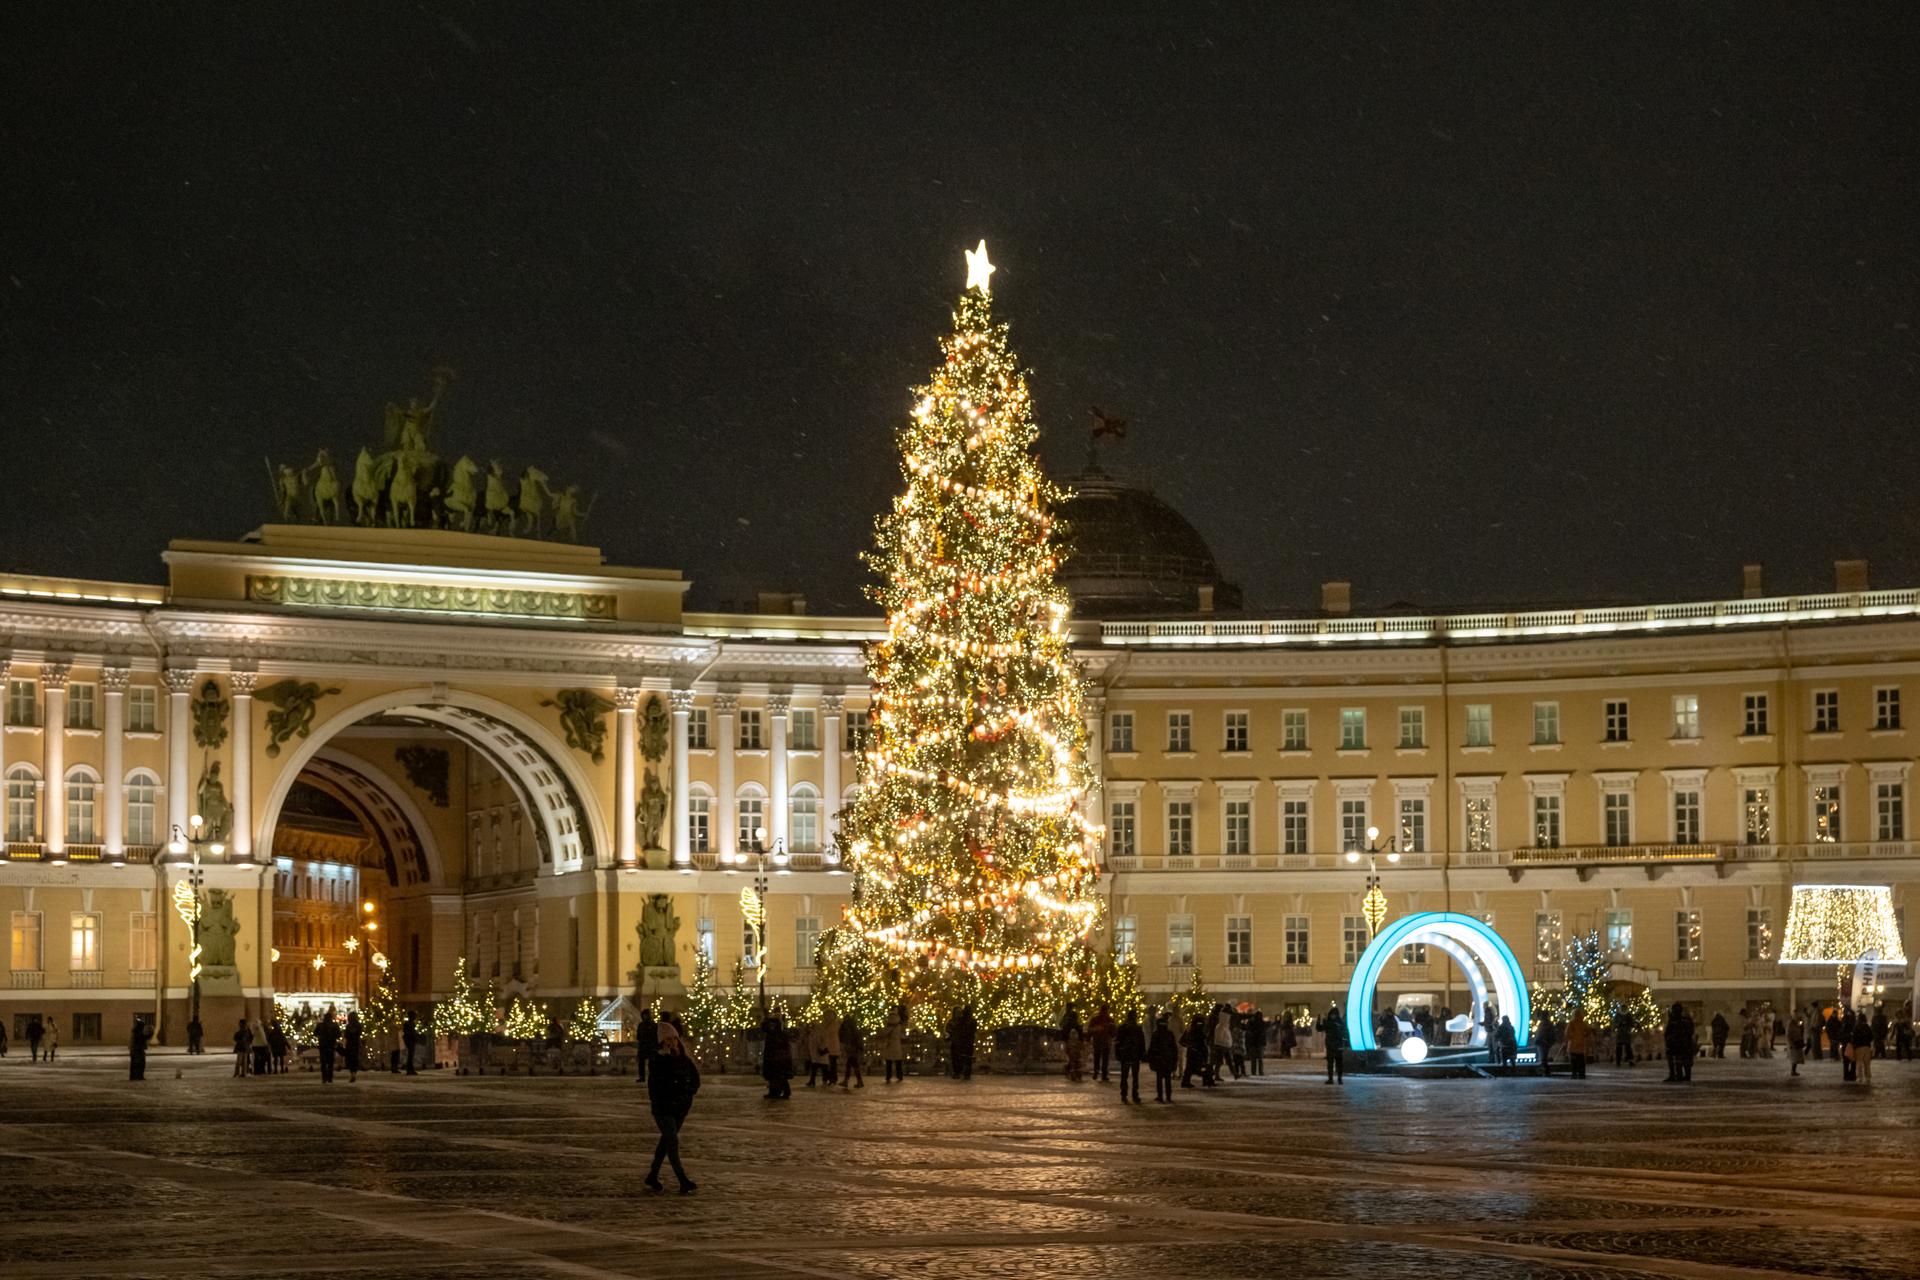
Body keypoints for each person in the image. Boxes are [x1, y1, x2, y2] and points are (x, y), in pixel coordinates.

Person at [644, 1021, 700, 1194]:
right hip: (663, 1109)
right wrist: (666, 1057)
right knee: (672, 1142)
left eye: (674, 1039)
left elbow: (695, 1080)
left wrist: (688, 1094)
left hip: (680, 1109)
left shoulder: (685, 1060)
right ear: (661, 1042)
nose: (672, 1043)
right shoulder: (657, 1060)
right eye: (667, 1040)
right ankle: (682, 1179)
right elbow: (657, 1083)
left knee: (666, 1142)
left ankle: (652, 1175)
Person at [1114, 1009, 1145, 1104]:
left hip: (1126, 1054)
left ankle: (1124, 1094)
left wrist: (1118, 1054)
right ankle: (1134, 1094)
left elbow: (1118, 1042)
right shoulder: (1137, 1028)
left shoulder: (1123, 1028)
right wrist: (1142, 1054)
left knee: (1124, 1076)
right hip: (1134, 1054)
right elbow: (1141, 1043)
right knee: (1135, 1076)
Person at [1146, 1014, 1179, 1103]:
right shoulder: (1169, 1034)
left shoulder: (1156, 1034)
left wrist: (1151, 1058)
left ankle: (1160, 1096)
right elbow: (1174, 1048)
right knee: (1167, 1079)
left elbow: (1152, 1047)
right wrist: (1174, 1059)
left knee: (1160, 1079)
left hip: (1159, 1059)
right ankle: (1168, 1096)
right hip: (1167, 1058)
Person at [761, 1011, 794, 1099]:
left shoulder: (776, 1032)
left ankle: (782, 1092)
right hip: (775, 1056)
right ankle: (774, 1092)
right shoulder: (775, 1032)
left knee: (779, 1075)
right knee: (775, 1076)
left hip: (777, 1057)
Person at [1664, 1003, 1693, 1083]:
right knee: (1683, 1060)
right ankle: (1684, 1075)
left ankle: (1677, 1075)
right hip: (1683, 1043)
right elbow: (1690, 1031)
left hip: (1677, 1043)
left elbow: (1668, 1031)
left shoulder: (1675, 1020)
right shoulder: (1685, 1019)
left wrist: (1669, 1039)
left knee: (1678, 1060)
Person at [880, 1004, 908, 1084]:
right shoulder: (899, 1022)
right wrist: (904, 1037)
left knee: (889, 1061)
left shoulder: (888, 1021)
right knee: (898, 1061)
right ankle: (899, 1076)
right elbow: (901, 1034)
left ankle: (888, 1076)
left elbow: (885, 1032)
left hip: (889, 1044)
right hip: (896, 1043)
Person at [1088, 1005, 1116, 1083]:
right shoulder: (1109, 1020)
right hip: (1105, 1041)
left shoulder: (1095, 1019)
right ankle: (1103, 1074)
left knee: (1097, 1057)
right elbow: (1113, 1032)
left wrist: (1089, 1036)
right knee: (1104, 1059)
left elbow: (1090, 1030)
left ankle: (1096, 1071)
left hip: (1098, 1041)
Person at [1320, 1003, 1347, 1084]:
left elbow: (1344, 1032)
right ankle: (1331, 1078)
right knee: (1330, 1063)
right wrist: (1319, 1020)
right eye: (1332, 1015)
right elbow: (1320, 1028)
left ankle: (1339, 1078)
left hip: (1337, 1045)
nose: (1333, 1016)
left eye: (1334, 1015)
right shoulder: (1330, 1023)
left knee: (1339, 1063)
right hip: (1330, 1046)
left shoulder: (1339, 1023)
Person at [948, 1005, 976, 1080]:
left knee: (962, 1058)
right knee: (962, 1058)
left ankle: (961, 1073)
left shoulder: (963, 1021)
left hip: (962, 1041)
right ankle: (963, 1073)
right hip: (963, 1041)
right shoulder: (968, 1021)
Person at [839, 1013, 865, 1090]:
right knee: (852, 1065)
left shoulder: (848, 1029)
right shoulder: (853, 1029)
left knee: (851, 1065)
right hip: (853, 1050)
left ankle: (850, 1081)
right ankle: (855, 1081)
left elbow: (847, 1039)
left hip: (852, 1050)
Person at [634, 1009, 658, 1084]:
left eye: (646, 1015)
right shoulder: (641, 1025)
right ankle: (642, 1076)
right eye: (644, 1015)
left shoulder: (653, 1025)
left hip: (650, 1046)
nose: (645, 1016)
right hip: (643, 1046)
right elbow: (638, 1036)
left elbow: (655, 1035)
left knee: (651, 1063)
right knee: (641, 1062)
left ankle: (652, 1076)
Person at [1852, 1010, 1875, 1085]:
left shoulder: (1856, 1027)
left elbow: (1854, 1038)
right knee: (1867, 1063)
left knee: (1859, 1063)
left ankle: (1860, 1077)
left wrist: (1854, 1046)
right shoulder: (1867, 1027)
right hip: (1867, 1047)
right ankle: (1868, 1077)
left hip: (1859, 1047)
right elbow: (1871, 1037)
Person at [316, 1009, 339, 1084]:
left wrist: (321, 1036)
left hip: (323, 1045)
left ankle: (324, 1078)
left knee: (323, 1062)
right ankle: (330, 1078)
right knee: (330, 1062)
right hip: (331, 1045)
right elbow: (338, 1034)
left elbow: (315, 1033)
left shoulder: (320, 1025)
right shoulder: (335, 1025)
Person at [1063, 1010, 1086, 1084]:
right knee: (1075, 1059)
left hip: (1071, 1044)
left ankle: (1071, 1070)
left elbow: (1064, 1036)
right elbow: (1081, 1036)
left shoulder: (1067, 1025)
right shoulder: (1077, 1026)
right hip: (1074, 1045)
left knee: (1072, 1059)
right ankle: (1074, 1071)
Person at [1566, 1010, 1590, 1079]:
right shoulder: (1583, 1023)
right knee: (1581, 1060)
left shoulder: (1572, 1023)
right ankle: (1581, 1074)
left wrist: (1570, 1037)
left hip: (1573, 1045)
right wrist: (1584, 1036)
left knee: (1573, 1061)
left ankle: (1574, 1074)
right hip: (1581, 1045)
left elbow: (1567, 1032)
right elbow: (1588, 1032)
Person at [1246, 1007, 1267, 1076]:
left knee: (1253, 1059)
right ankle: (1260, 1072)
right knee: (1260, 1059)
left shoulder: (1251, 1023)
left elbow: (1248, 1031)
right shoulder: (1262, 1023)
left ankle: (1253, 1072)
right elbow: (1264, 1032)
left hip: (1253, 1043)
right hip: (1259, 1043)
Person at [129, 1015, 150, 1081]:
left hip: (135, 1050)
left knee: (135, 1064)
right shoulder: (138, 1033)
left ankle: (135, 1076)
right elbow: (142, 1038)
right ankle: (138, 1076)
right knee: (139, 1064)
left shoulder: (136, 1032)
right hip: (137, 1050)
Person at [344, 1011, 364, 1082]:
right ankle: (354, 1073)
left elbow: (346, 1035)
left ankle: (352, 1073)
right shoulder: (359, 1025)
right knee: (355, 1058)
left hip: (350, 1044)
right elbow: (360, 1033)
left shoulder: (348, 1026)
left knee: (350, 1059)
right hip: (356, 1043)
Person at [1788, 1010, 1806, 1076]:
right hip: (1794, 1042)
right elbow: (1789, 1034)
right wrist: (1791, 1043)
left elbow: (1800, 1032)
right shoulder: (1791, 1024)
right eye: (1795, 1015)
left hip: (1797, 1041)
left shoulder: (1796, 1023)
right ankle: (1793, 1071)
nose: (1797, 1016)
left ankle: (1794, 1071)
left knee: (1796, 1057)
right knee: (1794, 1058)